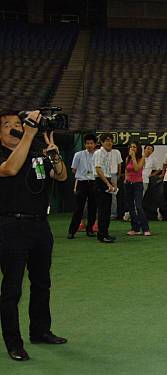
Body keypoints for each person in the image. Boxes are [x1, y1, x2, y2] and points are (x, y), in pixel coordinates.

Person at [0, 110, 68, 361]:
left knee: (42, 283)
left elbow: (60, 176)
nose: (14, 128)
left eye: (18, 123)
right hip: (10, 227)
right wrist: (29, 135)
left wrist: (54, 156)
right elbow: (10, 169)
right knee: (12, 288)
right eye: (7, 125)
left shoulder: (36, 152)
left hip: (40, 227)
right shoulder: (8, 154)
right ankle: (13, 342)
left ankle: (40, 331)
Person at [67, 134, 97, 239]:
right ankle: (72, 231)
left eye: (91, 143)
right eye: (87, 143)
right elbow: (74, 169)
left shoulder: (98, 154)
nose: (89, 145)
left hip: (94, 182)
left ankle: (90, 229)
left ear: (95, 144)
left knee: (93, 208)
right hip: (82, 182)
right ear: (85, 144)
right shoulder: (78, 154)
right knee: (78, 208)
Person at [94, 133, 118, 243]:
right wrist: (108, 184)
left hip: (107, 180)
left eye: (111, 141)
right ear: (102, 142)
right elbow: (98, 170)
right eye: (107, 140)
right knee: (103, 210)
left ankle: (105, 233)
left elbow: (109, 171)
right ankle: (102, 235)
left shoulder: (109, 154)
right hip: (101, 182)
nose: (109, 143)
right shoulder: (99, 153)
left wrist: (112, 183)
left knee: (107, 210)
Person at [124, 142, 151, 236]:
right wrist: (126, 178)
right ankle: (135, 229)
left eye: (134, 147)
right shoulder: (127, 158)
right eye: (131, 147)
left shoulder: (142, 158)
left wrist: (134, 157)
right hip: (128, 185)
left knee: (138, 207)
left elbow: (136, 169)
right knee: (131, 207)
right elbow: (126, 170)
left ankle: (146, 229)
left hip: (138, 184)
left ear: (138, 149)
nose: (132, 148)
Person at [109, 145, 122, 219]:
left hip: (113, 174)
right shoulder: (99, 152)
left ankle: (113, 214)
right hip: (102, 174)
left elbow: (119, 164)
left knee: (113, 194)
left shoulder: (116, 152)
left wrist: (119, 175)